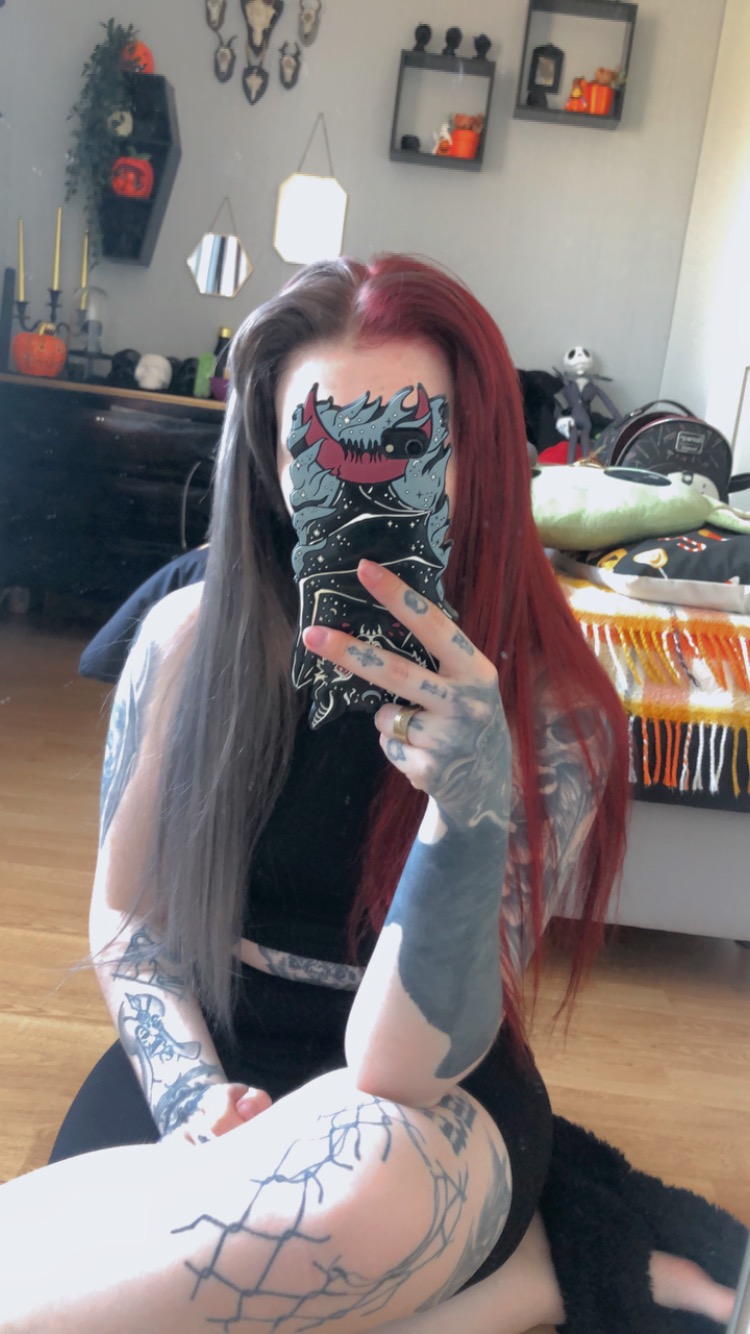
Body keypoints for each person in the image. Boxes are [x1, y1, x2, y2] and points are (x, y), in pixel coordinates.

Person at [0, 255, 743, 1333]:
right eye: (321, 447)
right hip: (212, 1048)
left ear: (479, 458)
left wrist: (468, 807)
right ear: (269, 460)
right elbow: (131, 922)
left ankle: (514, 1271)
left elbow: (399, 1065)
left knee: (337, 1205)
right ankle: (533, 1279)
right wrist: (193, 1096)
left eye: (410, 442)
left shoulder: (552, 711)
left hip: (427, 1096)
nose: (364, 493)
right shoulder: (185, 636)